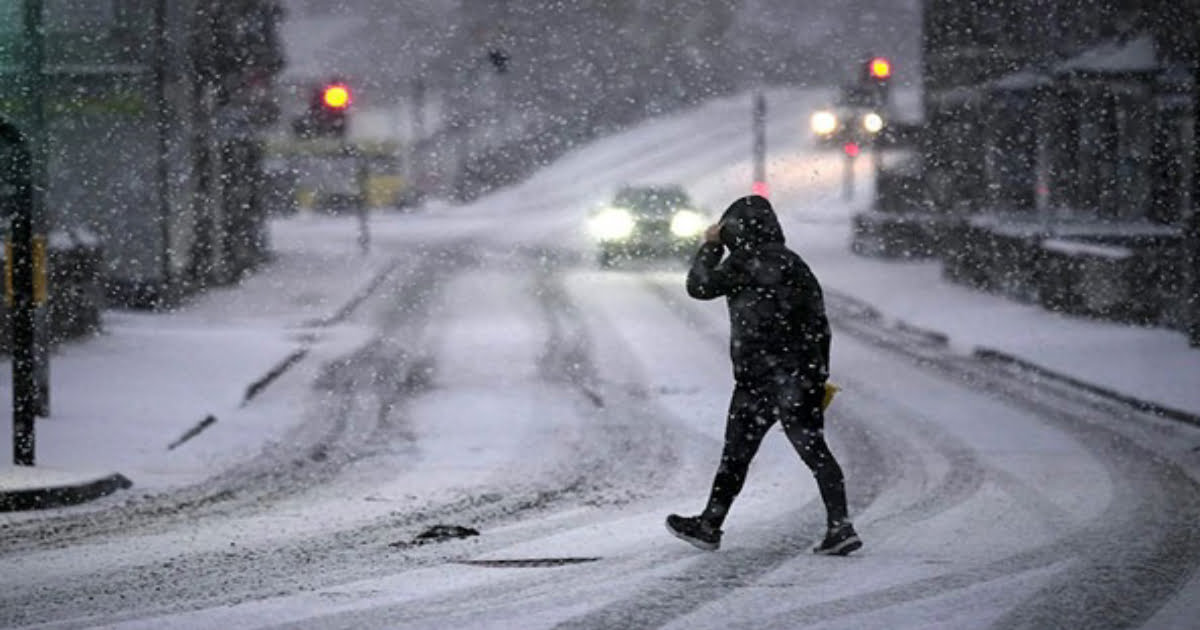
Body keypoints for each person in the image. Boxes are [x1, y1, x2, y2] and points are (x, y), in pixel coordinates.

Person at [665, 194, 861, 556]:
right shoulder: (795, 264)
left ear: (736, 231)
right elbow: (820, 324)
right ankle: (840, 525)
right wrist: (817, 375)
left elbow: (699, 286)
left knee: (736, 456)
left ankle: (710, 525)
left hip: (758, 381)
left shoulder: (743, 262)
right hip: (800, 377)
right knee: (815, 450)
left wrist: (710, 247)